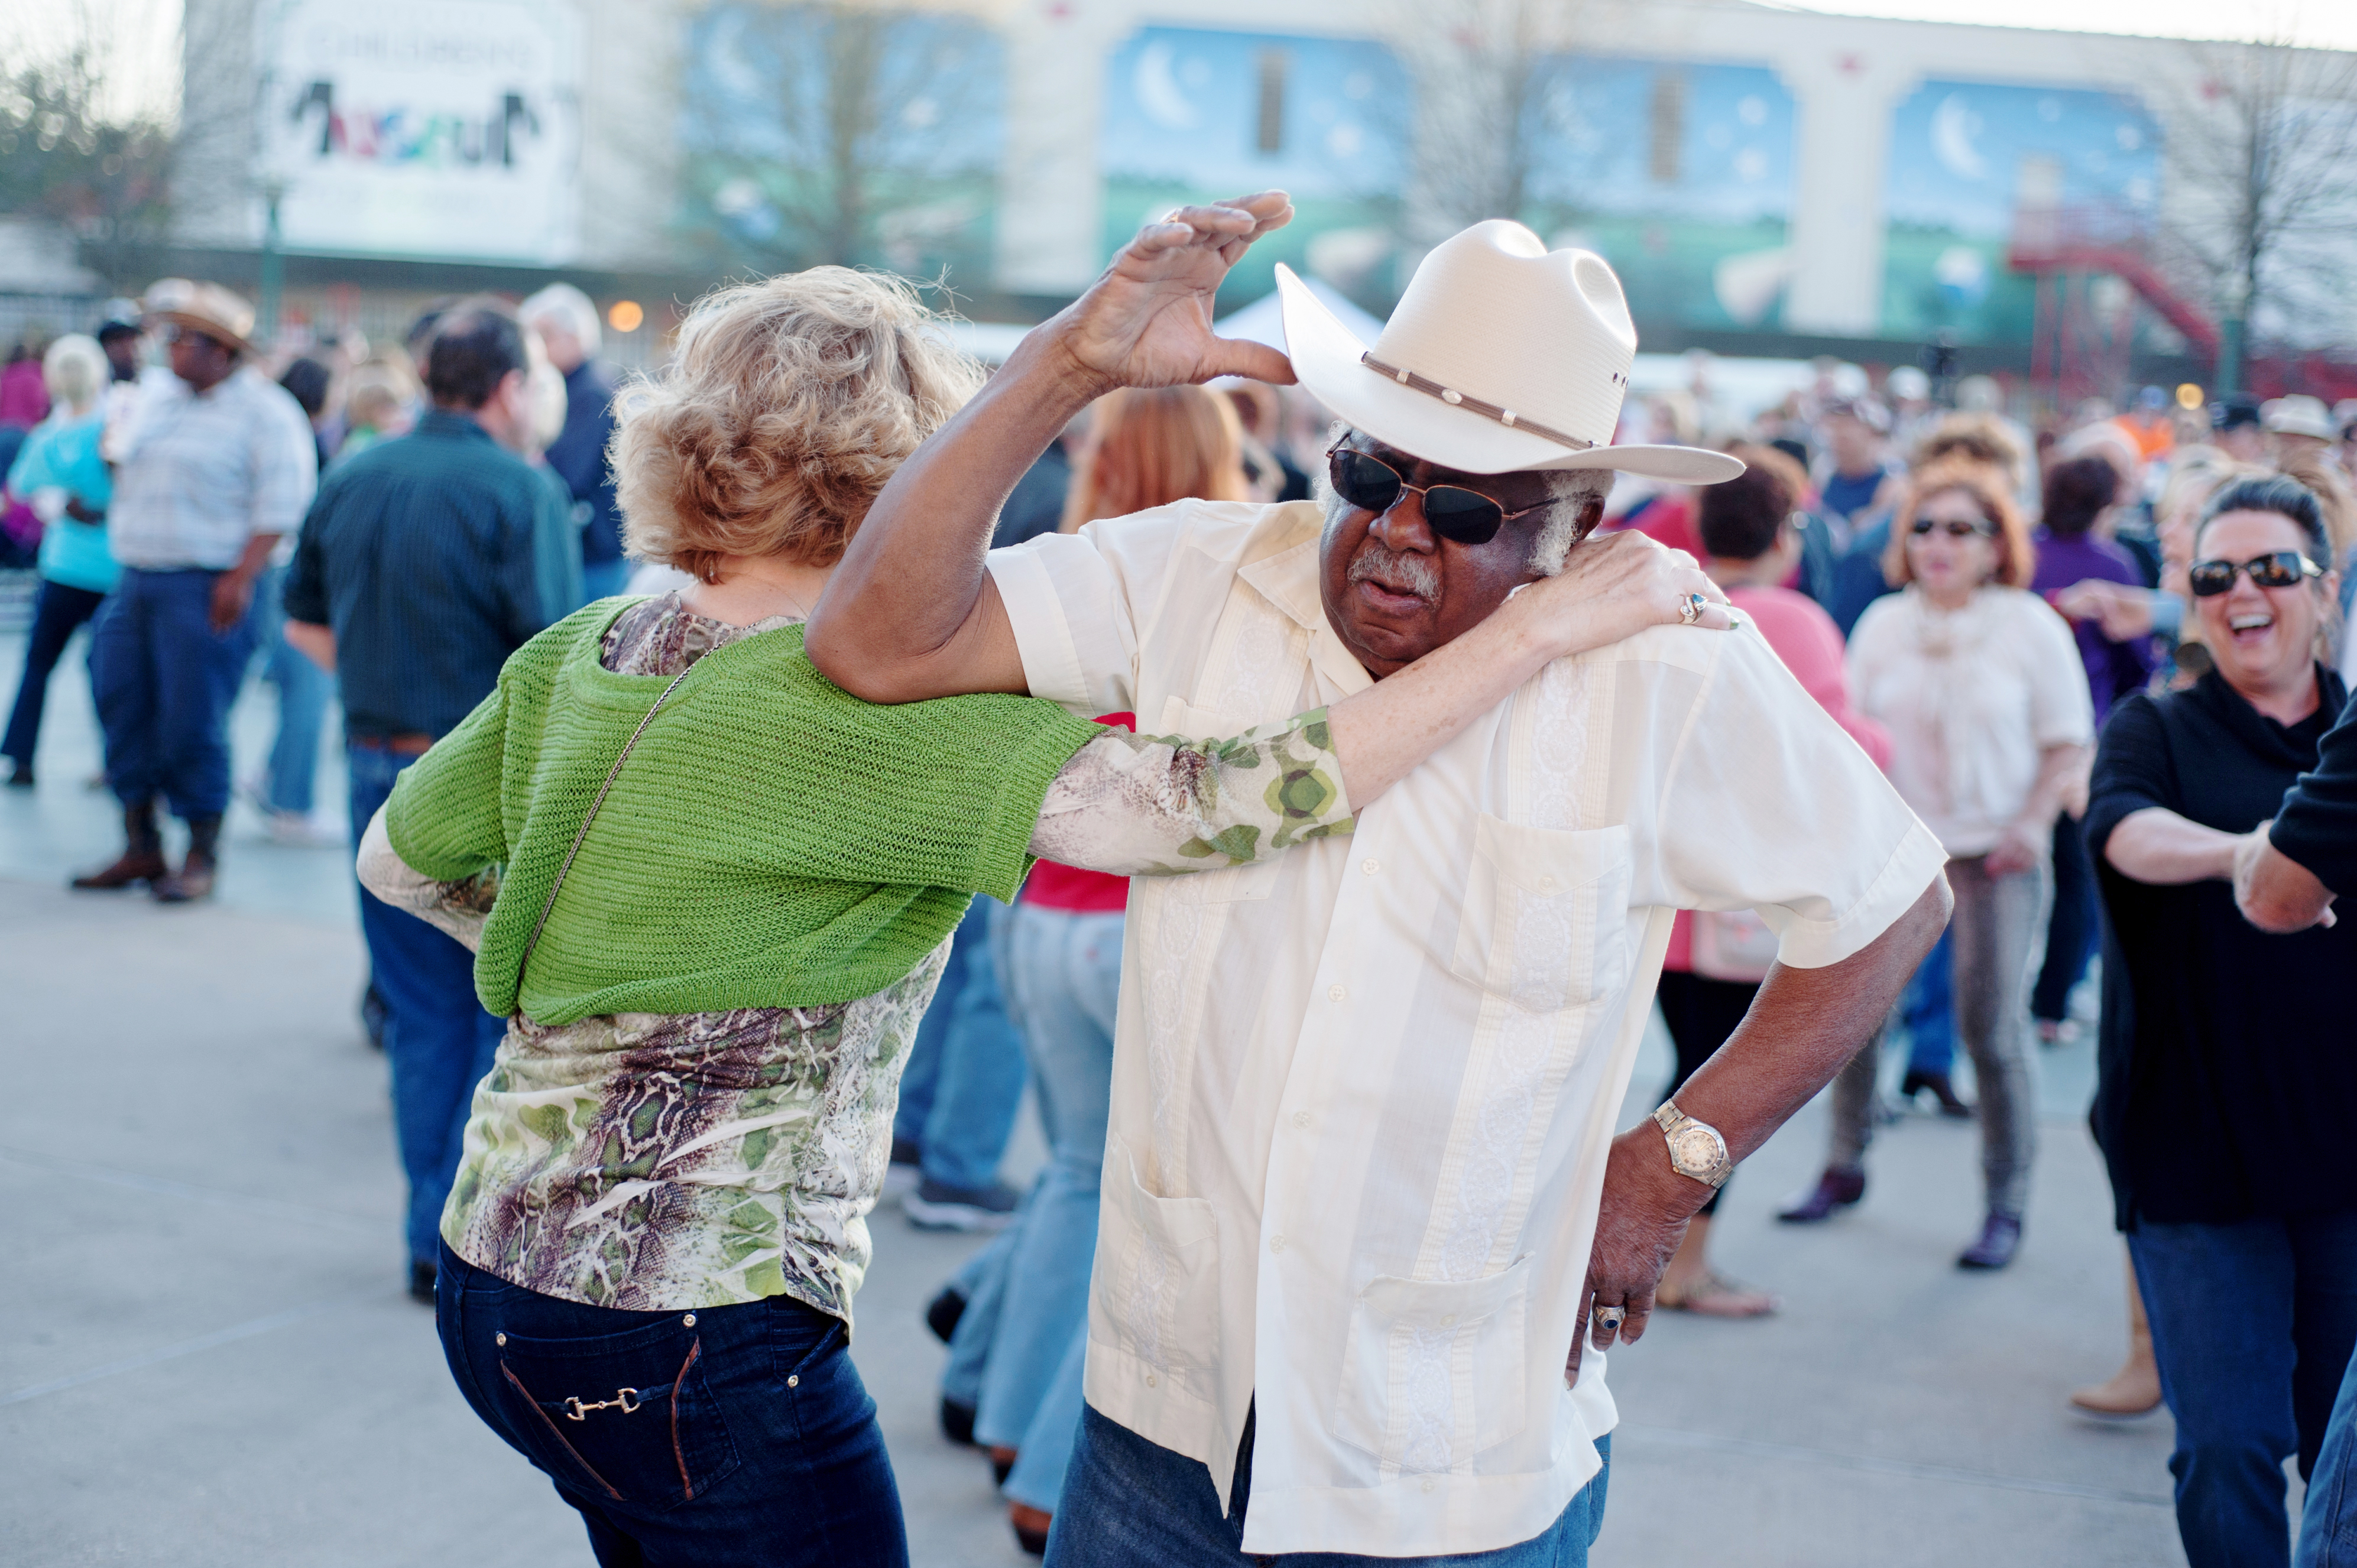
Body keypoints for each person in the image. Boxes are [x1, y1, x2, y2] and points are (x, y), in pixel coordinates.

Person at [360, 263, 1735, 1568]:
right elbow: (1204, 805)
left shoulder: (593, 645)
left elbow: (402, 863)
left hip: (497, 1279)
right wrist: (1526, 637)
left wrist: (594, 961)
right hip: (687, 1321)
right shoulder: (863, 719)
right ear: (910, 472)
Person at [808, 200, 1951, 1564]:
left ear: (1570, 531)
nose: (1398, 533)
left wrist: (1667, 1167)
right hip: (1161, 1423)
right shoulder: (1203, 574)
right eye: (1369, 477)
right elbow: (875, 646)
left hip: (1453, 1462)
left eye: (1465, 506)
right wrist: (1059, 368)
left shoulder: (1664, 667)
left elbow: (1891, 902)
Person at [952, 382, 1259, 1555]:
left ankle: (998, 1413)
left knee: (1078, 1175)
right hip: (1141, 926)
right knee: (1150, 1208)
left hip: (1039, 919)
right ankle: (1040, 1465)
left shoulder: (1058, 576)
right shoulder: (1233, 592)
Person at [283, 300, 585, 1301]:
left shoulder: (358, 469)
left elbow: (304, 625)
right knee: (489, 1017)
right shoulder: (520, 487)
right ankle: (464, 1233)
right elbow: (557, 659)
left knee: (421, 1017)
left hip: (376, 763)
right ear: (509, 386)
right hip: (480, 783)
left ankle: (432, 1228)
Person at [2083, 473, 2354, 1568]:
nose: (2243, 592)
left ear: (2324, 591)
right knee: (2229, 1448)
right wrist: (2248, 851)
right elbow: (2124, 832)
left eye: (2272, 569)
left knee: (2339, 1464)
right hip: (2192, 1152)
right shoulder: (2155, 725)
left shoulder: (2351, 736)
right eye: (2214, 574)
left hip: (2343, 1156)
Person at [1782, 462, 2092, 1270]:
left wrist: (2029, 823)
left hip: (1997, 853)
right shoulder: (1883, 624)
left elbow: (2067, 739)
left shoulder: (2029, 625)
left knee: (1990, 1032)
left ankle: (2005, 1204)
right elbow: (1849, 738)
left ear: (1996, 546)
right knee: (1854, 1020)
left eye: (1960, 528)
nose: (1937, 544)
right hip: (1896, 853)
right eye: (1921, 527)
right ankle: (1841, 1164)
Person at [1649, 449, 1893, 1320]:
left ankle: (1665, 1252)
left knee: (1682, 1075)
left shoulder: (1660, 607)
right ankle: (1674, 1260)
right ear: (1785, 534)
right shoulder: (1791, 622)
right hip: (1737, 901)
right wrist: (1878, 736)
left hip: (1660, 898)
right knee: (1710, 1097)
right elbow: (1833, 755)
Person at [71, 280, 317, 902]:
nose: (172, 349)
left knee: (192, 718)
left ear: (223, 352)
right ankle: (141, 841)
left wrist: (240, 577)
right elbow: (121, 468)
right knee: (120, 700)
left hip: (209, 580)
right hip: (138, 575)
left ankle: (201, 849)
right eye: (172, 337)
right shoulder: (156, 398)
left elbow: (283, 504)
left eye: (186, 339)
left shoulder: (265, 411)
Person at [2027, 455, 2153, 1044]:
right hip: (2081, 735)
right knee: (2075, 874)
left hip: (2015, 730)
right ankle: (2051, 1006)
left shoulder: (2023, 551)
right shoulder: (2112, 567)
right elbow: (2138, 662)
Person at [2, 335, 117, 788]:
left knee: (38, 664)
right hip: (112, 568)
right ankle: (116, 759)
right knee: (110, 671)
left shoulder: (52, 433)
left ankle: (21, 756)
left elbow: (23, 485)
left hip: (65, 566)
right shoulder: (114, 424)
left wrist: (61, 503)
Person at [520, 283, 624, 598]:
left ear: (576, 335)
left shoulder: (590, 393)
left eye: (545, 335)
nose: (536, 346)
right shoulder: (568, 386)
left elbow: (567, 474)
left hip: (592, 555)